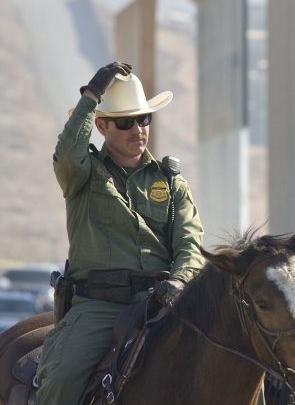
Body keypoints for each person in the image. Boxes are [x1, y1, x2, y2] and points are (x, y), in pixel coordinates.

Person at [36, 62, 204, 405]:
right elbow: (67, 153)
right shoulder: (81, 175)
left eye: (143, 119)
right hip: (99, 307)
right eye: (125, 122)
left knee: (238, 363)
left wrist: (179, 281)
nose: (137, 129)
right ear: (101, 126)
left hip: (162, 303)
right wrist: (92, 94)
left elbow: (190, 244)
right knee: (63, 378)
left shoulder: (171, 183)